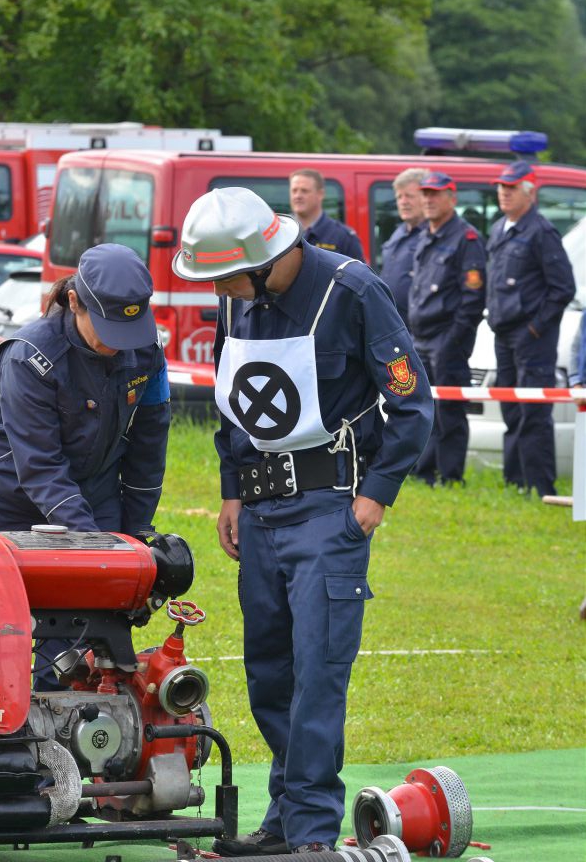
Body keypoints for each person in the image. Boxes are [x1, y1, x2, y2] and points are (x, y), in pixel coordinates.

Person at [172, 187, 433, 855]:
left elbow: (411, 402)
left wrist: (374, 496)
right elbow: (235, 400)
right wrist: (232, 489)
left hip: (330, 510)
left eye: (225, 275)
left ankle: (312, 835)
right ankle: (285, 821)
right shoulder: (238, 295)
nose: (220, 291)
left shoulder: (354, 291)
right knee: (269, 670)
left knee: (318, 670)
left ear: (264, 259)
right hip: (259, 511)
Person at [0, 242, 171, 689]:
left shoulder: (147, 351)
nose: (120, 346)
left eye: (129, 331)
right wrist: (97, 551)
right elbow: (40, 467)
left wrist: (134, 542)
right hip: (6, 503)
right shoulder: (29, 357)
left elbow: (149, 448)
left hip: (94, 494)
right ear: (74, 302)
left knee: (88, 647)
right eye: (109, 329)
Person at [486, 161, 576, 496]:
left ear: (529, 192)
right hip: (504, 334)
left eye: (511, 188)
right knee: (510, 408)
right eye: (501, 187)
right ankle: (516, 482)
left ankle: (541, 486)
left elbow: (562, 288)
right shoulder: (500, 229)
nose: (504, 194)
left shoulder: (541, 231)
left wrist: (536, 328)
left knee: (534, 412)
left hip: (531, 337)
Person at [408, 171, 486, 485]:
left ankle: (451, 476)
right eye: (425, 194)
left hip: (447, 337)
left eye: (435, 194)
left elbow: (473, 298)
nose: (428, 200)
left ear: (452, 199)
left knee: (450, 410)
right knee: (426, 408)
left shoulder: (466, 239)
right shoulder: (426, 234)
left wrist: (454, 340)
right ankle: (426, 471)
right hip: (422, 336)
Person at [379, 168, 427, 326]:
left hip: (421, 329)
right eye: (399, 197)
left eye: (409, 196)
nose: (403, 202)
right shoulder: (398, 233)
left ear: (425, 197)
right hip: (393, 324)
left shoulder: (433, 235)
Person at [289, 168, 365, 260]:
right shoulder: (281, 231)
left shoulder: (344, 237)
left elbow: (358, 273)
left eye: (304, 191)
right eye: (294, 191)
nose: (298, 196)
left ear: (320, 194)